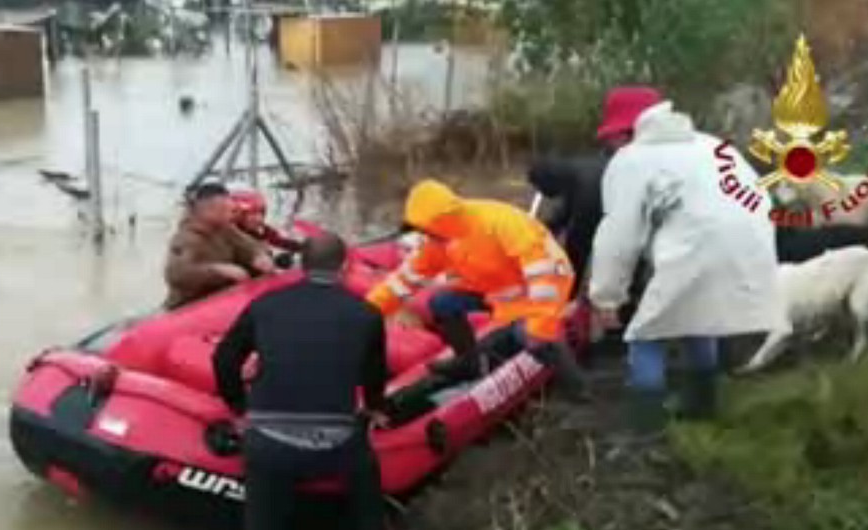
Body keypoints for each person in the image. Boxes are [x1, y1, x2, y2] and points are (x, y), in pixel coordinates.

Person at [588, 100, 783, 436]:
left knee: (646, 333)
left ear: (628, 132)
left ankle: (646, 431)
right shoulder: (712, 145)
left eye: (612, 139)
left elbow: (619, 236)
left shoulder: (631, 160)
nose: (610, 147)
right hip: (752, 241)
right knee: (698, 315)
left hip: (696, 244)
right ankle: (701, 410)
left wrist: (607, 297)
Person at [212, 232, 387, 530]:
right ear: (344, 267)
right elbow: (374, 375)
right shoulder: (367, 315)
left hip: (269, 444)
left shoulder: (265, 306)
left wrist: (239, 406)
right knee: (366, 479)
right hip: (336, 444)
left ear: (302, 265)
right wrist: (374, 408)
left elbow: (224, 359)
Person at [365, 179, 590, 400]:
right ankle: (468, 362)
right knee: (443, 302)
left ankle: (577, 387)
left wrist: (540, 325)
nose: (426, 236)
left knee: (534, 336)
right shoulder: (440, 241)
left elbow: (545, 274)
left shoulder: (501, 224)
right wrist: (366, 314)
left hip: (542, 286)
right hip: (496, 288)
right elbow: (402, 281)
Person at [527, 87, 663, 356]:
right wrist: (541, 231)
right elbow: (567, 213)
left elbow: (579, 243)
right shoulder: (587, 171)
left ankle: (627, 336)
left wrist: (565, 296)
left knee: (628, 271)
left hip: (647, 232)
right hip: (639, 224)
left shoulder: (593, 180)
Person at [163, 183, 275, 309]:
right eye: (225, 210)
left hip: (223, 297)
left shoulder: (225, 228)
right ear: (208, 210)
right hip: (191, 304)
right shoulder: (186, 238)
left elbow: (247, 245)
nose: (231, 214)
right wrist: (217, 270)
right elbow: (176, 274)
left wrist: (258, 256)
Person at [230, 190, 304, 253]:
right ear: (238, 215)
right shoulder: (230, 235)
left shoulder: (261, 230)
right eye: (252, 214)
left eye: (260, 213)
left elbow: (278, 240)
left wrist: (302, 247)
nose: (258, 218)